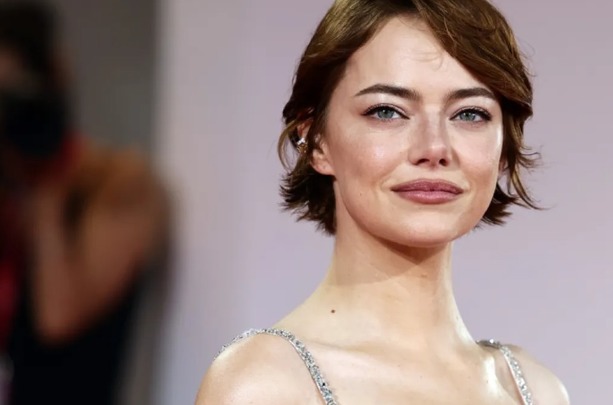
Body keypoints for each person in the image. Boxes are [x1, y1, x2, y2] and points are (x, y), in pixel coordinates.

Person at [197, 0, 569, 403]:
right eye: (387, 112)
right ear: (316, 140)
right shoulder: (266, 384)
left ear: (505, 146)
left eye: (469, 114)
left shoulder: (536, 388)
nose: (434, 148)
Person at [0, 2, 168, 404]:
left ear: (55, 77)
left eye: (15, 95)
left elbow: (57, 317)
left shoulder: (117, 183)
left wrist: (46, 186)